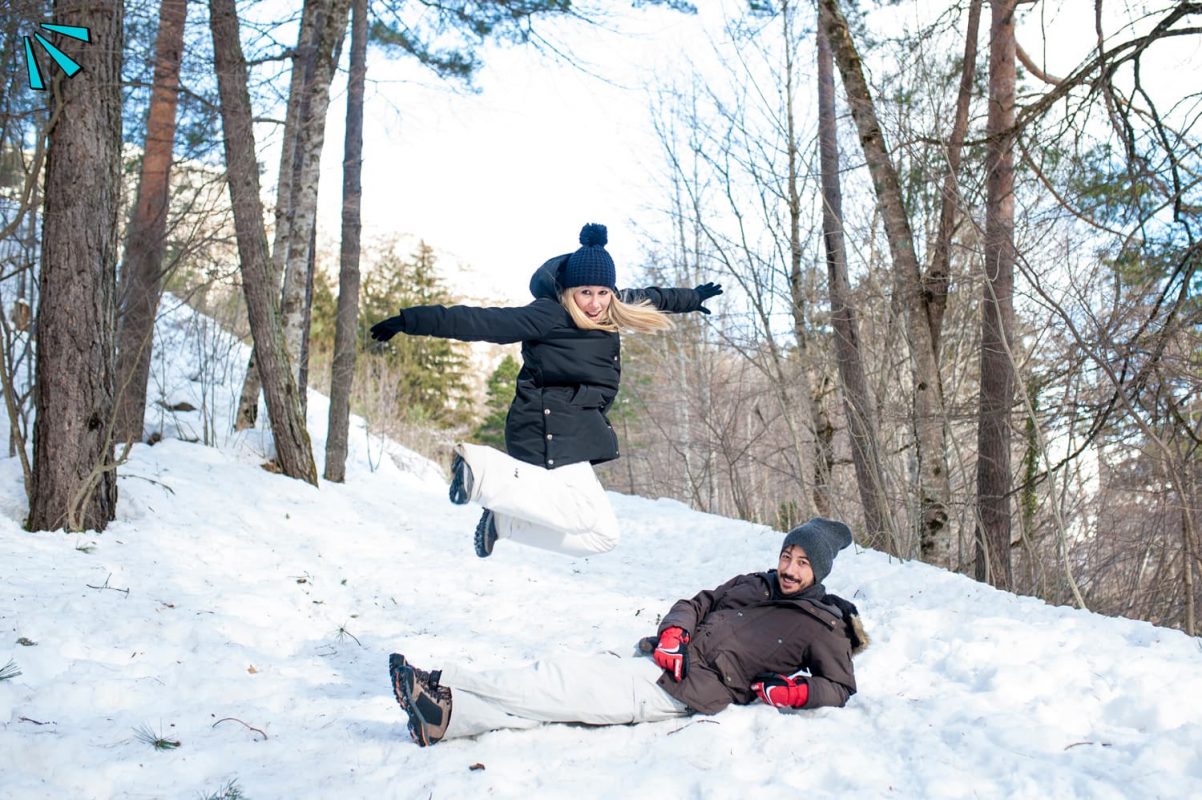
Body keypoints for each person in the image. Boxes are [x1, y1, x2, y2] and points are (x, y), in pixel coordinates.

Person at [369, 223, 722, 558]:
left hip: (576, 425)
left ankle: (504, 524)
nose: (594, 303)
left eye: (602, 293)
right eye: (585, 293)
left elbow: (653, 298)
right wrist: (411, 320)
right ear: (569, 291)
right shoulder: (549, 315)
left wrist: (692, 297)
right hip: (547, 422)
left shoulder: (610, 308)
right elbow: (481, 321)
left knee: (602, 536)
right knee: (581, 515)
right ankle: (480, 470)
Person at [387, 517, 868, 746]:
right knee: (557, 696)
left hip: (682, 688)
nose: (789, 568)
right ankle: (444, 716)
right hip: (658, 657)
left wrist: (795, 693)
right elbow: (698, 602)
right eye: (787, 556)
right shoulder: (755, 582)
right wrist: (674, 633)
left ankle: (442, 680)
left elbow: (840, 686)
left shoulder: (822, 624)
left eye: (802, 563)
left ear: (818, 572)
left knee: (557, 681)